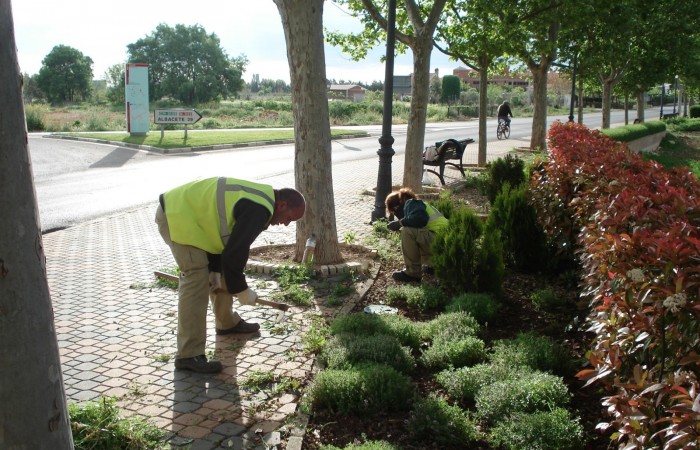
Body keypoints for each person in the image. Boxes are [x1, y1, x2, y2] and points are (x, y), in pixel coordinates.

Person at [155, 177, 306, 373]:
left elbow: (224, 239)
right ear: (282, 205)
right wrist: (242, 290)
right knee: (196, 278)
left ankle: (226, 323)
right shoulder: (259, 209)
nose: (286, 224)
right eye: (289, 218)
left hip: (193, 221)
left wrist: (216, 270)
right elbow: (236, 251)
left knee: (222, 272)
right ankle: (188, 354)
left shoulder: (262, 200)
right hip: (176, 216)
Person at [385, 187, 448, 283]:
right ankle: (434, 265)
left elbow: (420, 219)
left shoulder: (410, 203)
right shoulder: (418, 205)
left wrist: (399, 224)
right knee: (412, 235)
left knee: (407, 232)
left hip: (440, 241)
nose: (396, 215)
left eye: (394, 211)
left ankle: (412, 273)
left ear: (397, 206)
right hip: (445, 242)